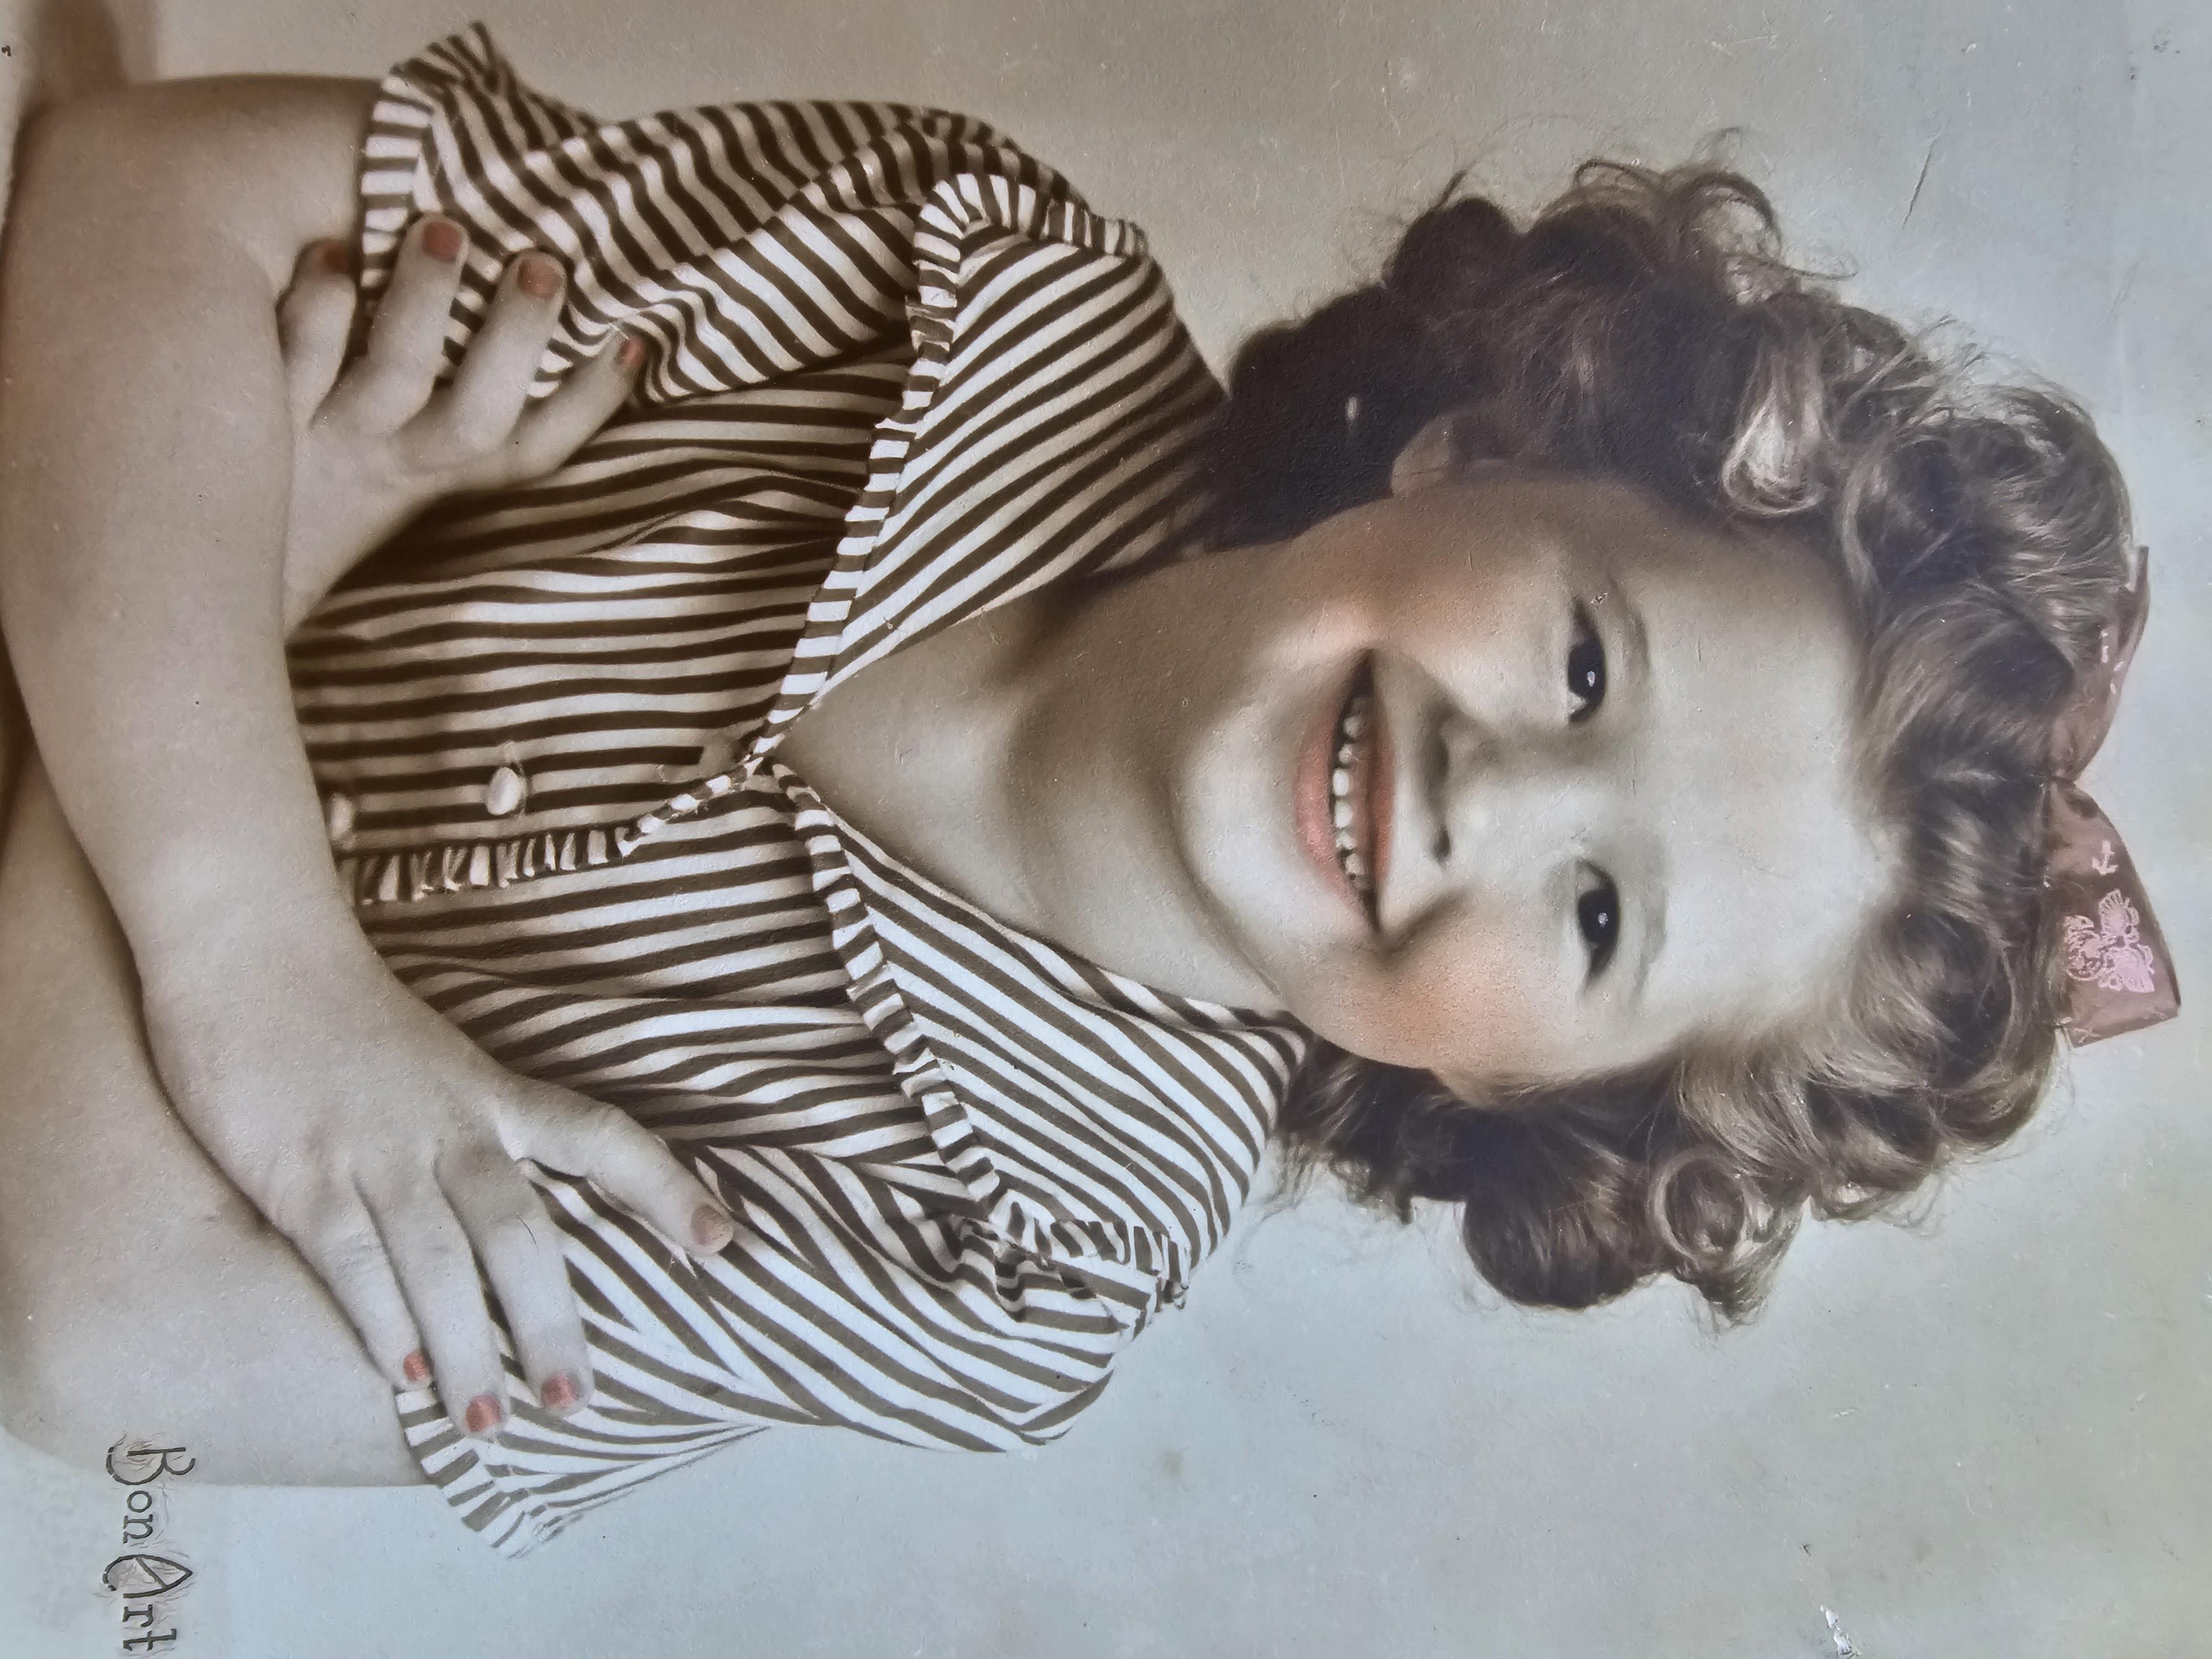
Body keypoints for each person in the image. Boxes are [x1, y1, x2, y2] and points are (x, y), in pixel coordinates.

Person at [0, 25, 2172, 1555]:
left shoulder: (1019, 1255)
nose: (1485, 798)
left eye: (1600, 917)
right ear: (1490, 445)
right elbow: (138, 197)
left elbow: (95, 1321)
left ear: (1530, 1099)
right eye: (1586, 659)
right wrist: (235, 943)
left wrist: (271, 550)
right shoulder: (974, 277)